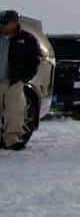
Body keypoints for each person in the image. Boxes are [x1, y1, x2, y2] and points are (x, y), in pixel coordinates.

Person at [1, 10, 41, 151]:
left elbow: (35, 60)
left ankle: (12, 140)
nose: (2, 26)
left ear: (14, 23)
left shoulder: (26, 38)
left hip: (14, 81)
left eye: (5, 23)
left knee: (15, 111)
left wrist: (23, 78)